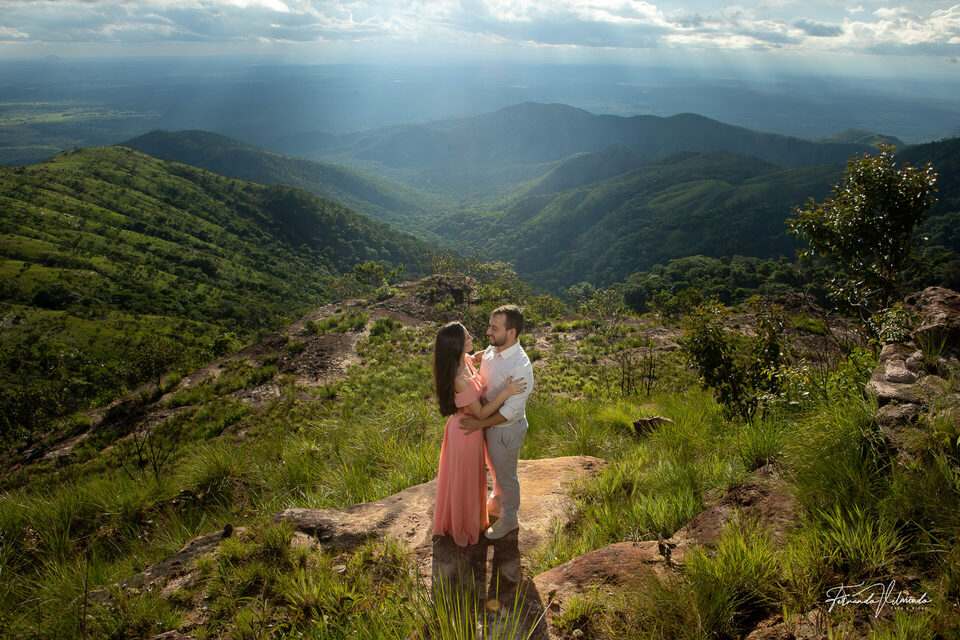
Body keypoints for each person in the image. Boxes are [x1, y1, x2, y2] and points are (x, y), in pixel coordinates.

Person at [433, 321, 527, 547]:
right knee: (465, 479)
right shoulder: (460, 382)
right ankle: (464, 524)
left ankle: (470, 516)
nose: (471, 337)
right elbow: (483, 412)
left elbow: (482, 354)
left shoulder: (464, 360)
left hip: (471, 429)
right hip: (466, 431)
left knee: (471, 476)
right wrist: (507, 391)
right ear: (456, 345)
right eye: (466, 336)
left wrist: (506, 345)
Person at [460, 305, 534, 540]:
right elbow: (487, 354)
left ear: (511, 332)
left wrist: (480, 423)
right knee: (495, 469)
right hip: (490, 426)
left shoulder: (520, 368)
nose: (488, 332)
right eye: (489, 326)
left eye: (494, 328)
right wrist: (473, 357)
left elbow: (510, 412)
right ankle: (498, 501)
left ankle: (510, 519)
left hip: (504, 429)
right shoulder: (497, 347)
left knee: (506, 476)